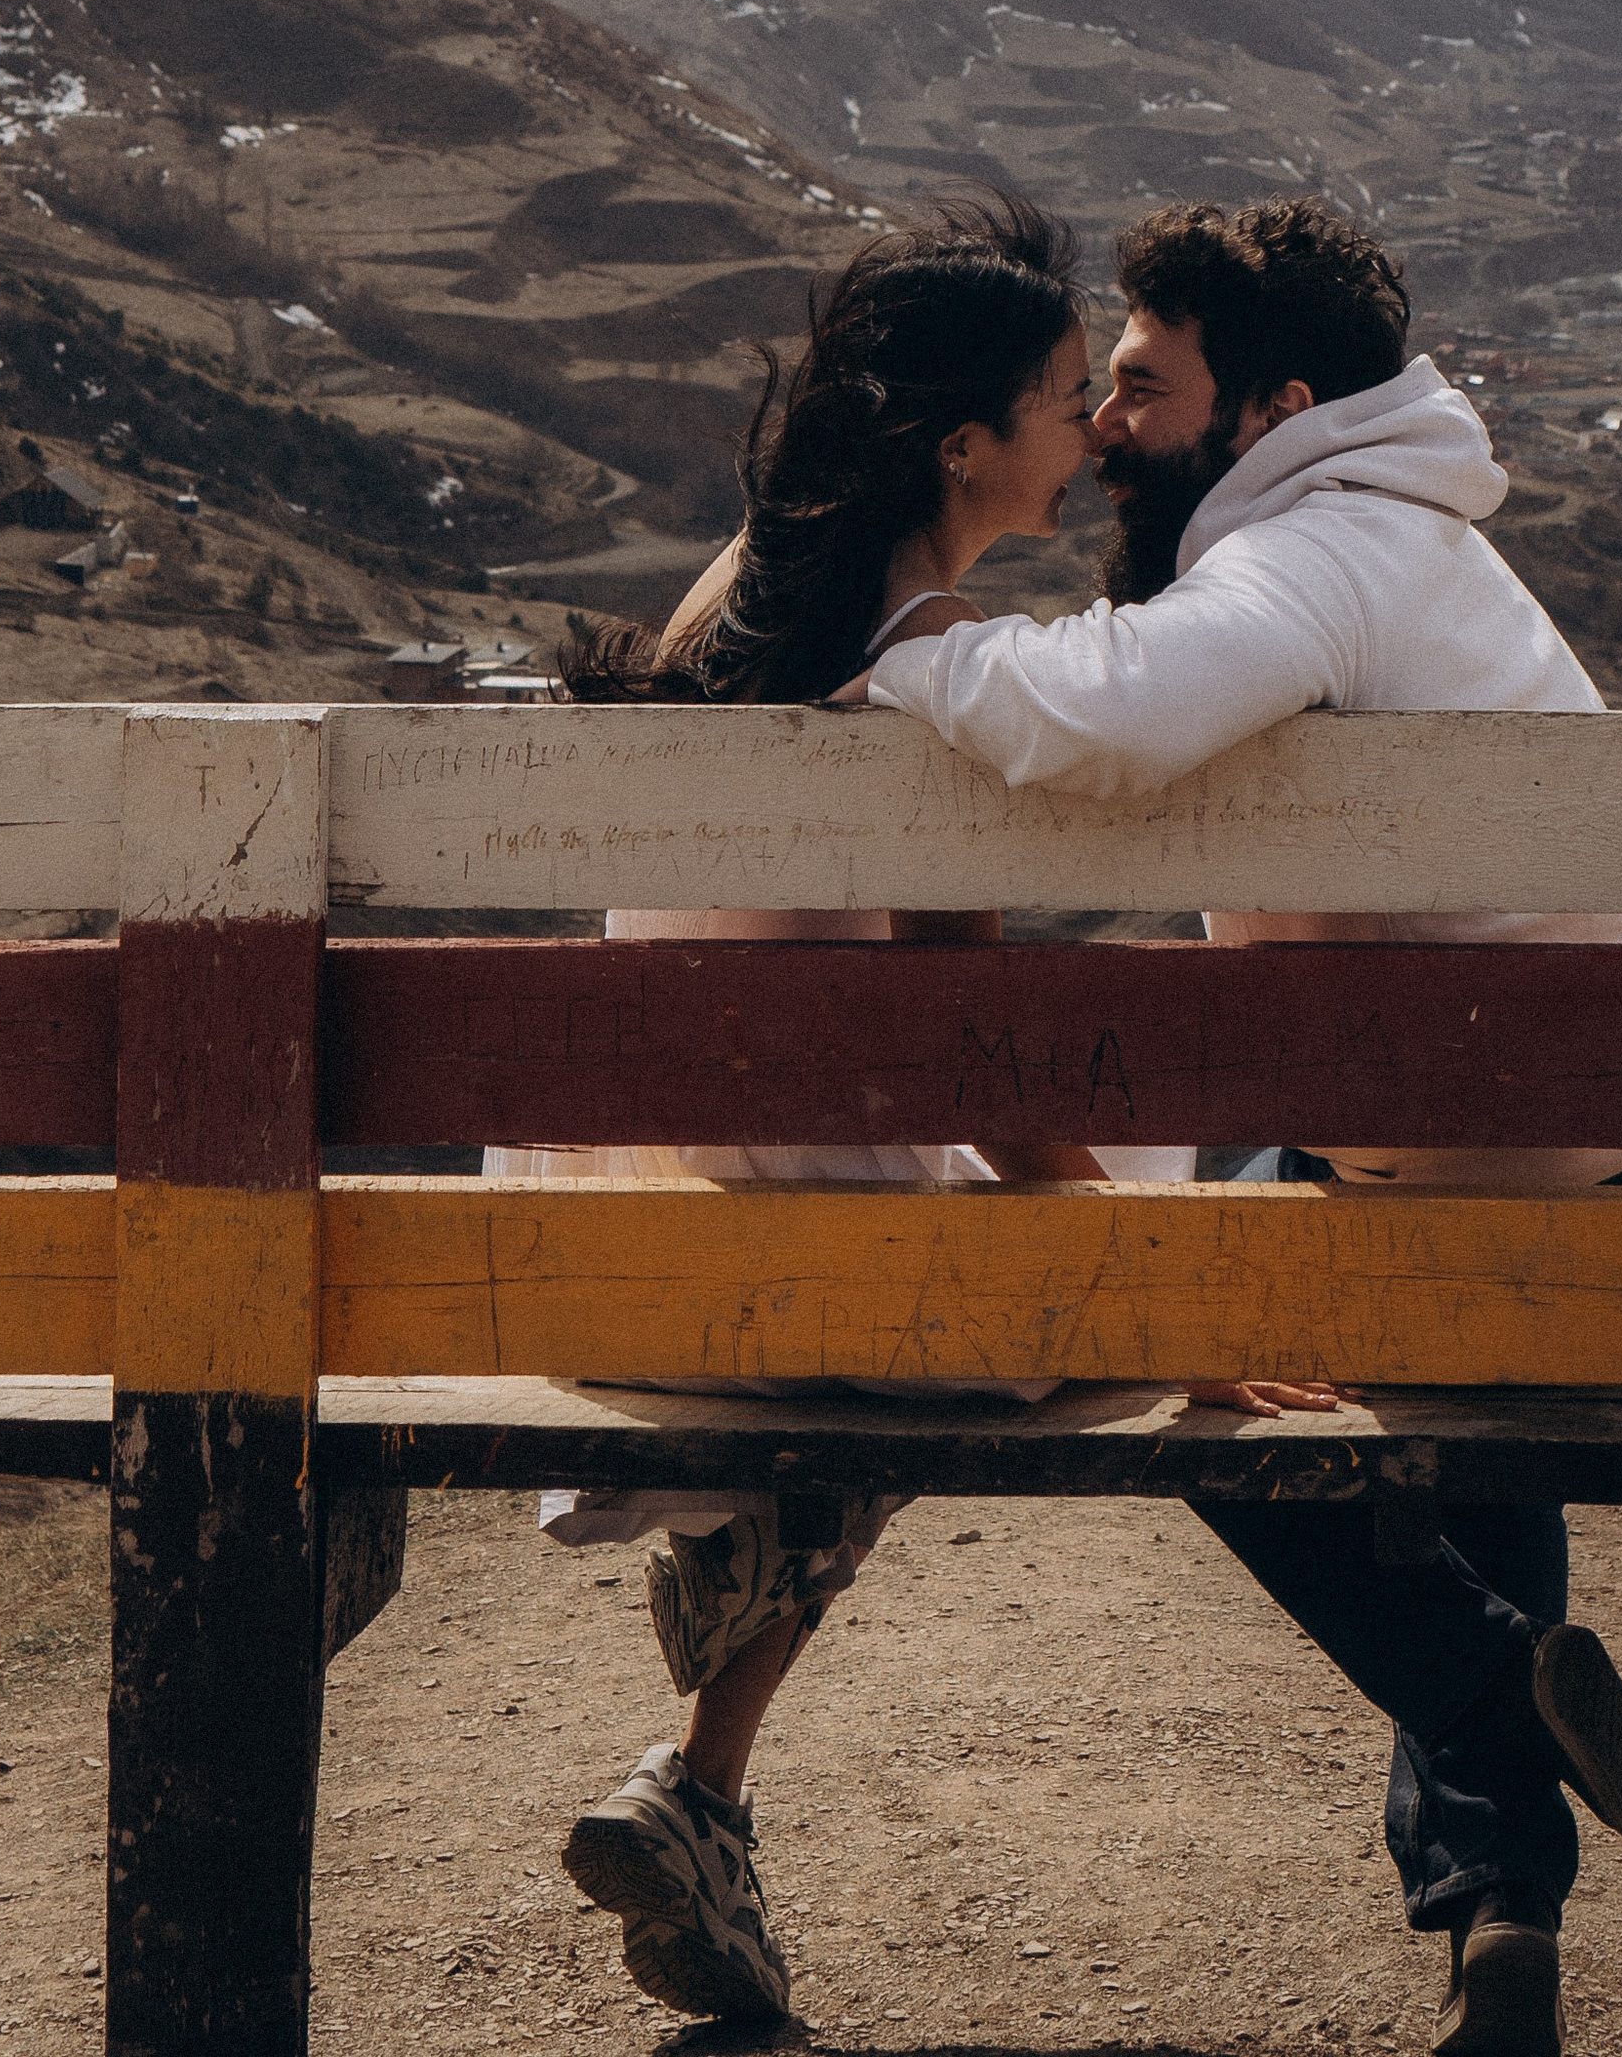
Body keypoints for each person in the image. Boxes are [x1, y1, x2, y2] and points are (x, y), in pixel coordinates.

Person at [836, 196, 1622, 2057]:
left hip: (1495, 1168)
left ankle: (1485, 1702)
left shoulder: (1322, 553)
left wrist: (911, 650)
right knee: (1404, 1367)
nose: (1105, 422)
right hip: (1600, 1150)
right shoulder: (1378, 546)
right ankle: (1497, 1915)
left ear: (1272, 404)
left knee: (1176, 1348)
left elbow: (1117, 720)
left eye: (1142, 385)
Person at [516, 199, 1126, 2027]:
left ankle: (711, 1766)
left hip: (651, 1168)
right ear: (966, 447)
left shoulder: (743, 577)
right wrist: (1170, 1274)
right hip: (835, 1204)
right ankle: (714, 1721)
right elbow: (980, 1065)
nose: (1092, 427)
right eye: (1065, 400)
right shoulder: (934, 656)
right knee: (1046, 1303)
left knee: (908, 1277)